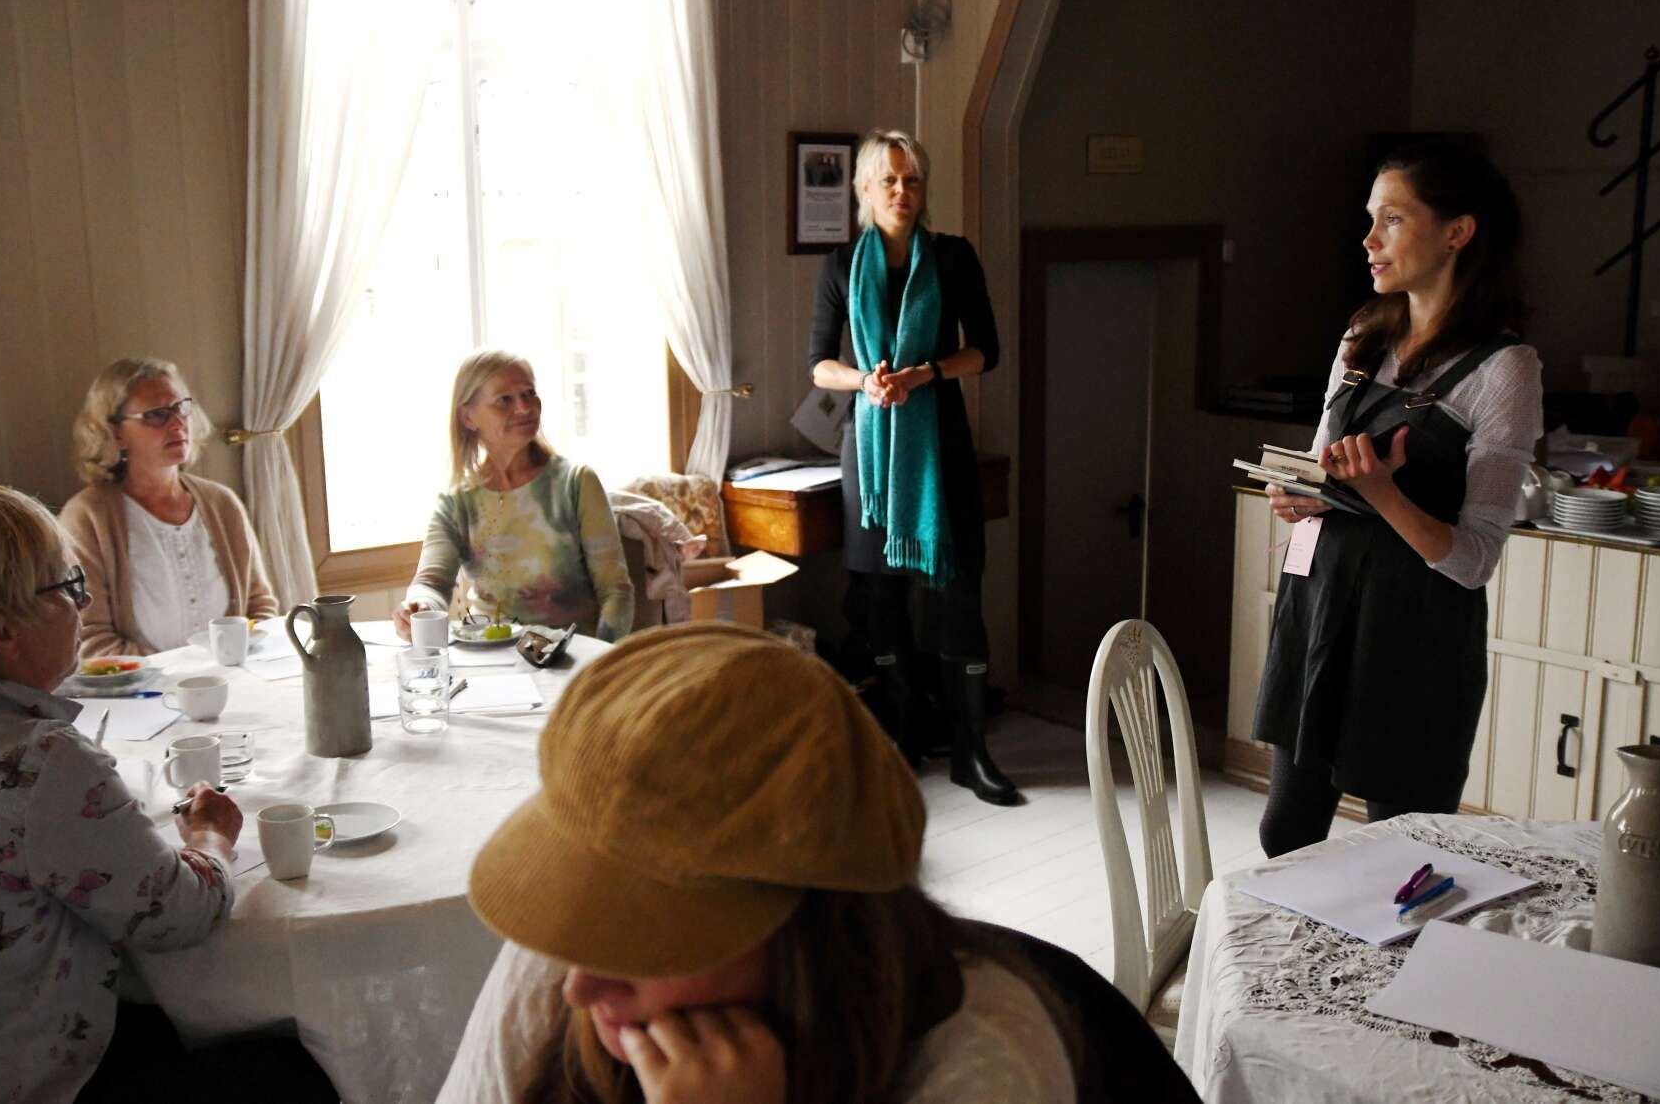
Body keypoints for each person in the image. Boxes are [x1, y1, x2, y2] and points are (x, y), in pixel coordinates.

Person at [438, 622, 1203, 1103]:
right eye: (585, 902)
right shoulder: (570, 957)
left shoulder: (980, 1058)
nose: (579, 984)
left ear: (807, 932)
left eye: (643, 933)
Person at [0, 481, 330, 1103]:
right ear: (2, 631)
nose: (86, 602)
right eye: (68, 587)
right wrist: (211, 837)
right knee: (303, 1059)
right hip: (32, 1074)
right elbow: (180, 914)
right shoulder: (37, 762)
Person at [1251, 139, 1544, 858]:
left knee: (1404, 853)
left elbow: (1473, 560)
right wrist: (1303, 495)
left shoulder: (1504, 369)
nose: (1368, 240)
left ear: (1456, 232)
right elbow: (1323, 467)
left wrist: (1381, 492)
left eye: (1392, 220)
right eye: (1369, 220)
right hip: (1317, 609)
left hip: (1414, 641)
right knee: (1284, 833)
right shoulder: (1362, 335)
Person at [806, 128, 1018, 806]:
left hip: (940, 449)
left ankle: (969, 752)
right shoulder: (841, 265)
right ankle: (902, 740)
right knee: (880, 606)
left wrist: (924, 373)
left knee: (958, 600)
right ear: (865, 191)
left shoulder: (952, 257)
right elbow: (819, 364)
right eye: (889, 180)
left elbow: (985, 350)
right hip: (869, 459)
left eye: (912, 180)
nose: (902, 191)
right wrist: (864, 382)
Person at [394, 350, 633, 643]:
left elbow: (616, 592)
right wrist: (418, 607)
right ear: (468, 417)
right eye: (504, 400)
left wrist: (602, 657)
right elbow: (431, 583)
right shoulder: (457, 503)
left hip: (571, 658)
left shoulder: (576, 483)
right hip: (489, 656)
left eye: (529, 393)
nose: (524, 407)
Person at [60, 358, 278, 658]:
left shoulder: (222, 503)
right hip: (140, 686)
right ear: (115, 431)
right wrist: (177, 674)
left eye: (181, 408)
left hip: (234, 676)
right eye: (157, 415)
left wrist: (233, 663)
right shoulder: (86, 517)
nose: (178, 423)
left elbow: (260, 606)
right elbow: (89, 636)